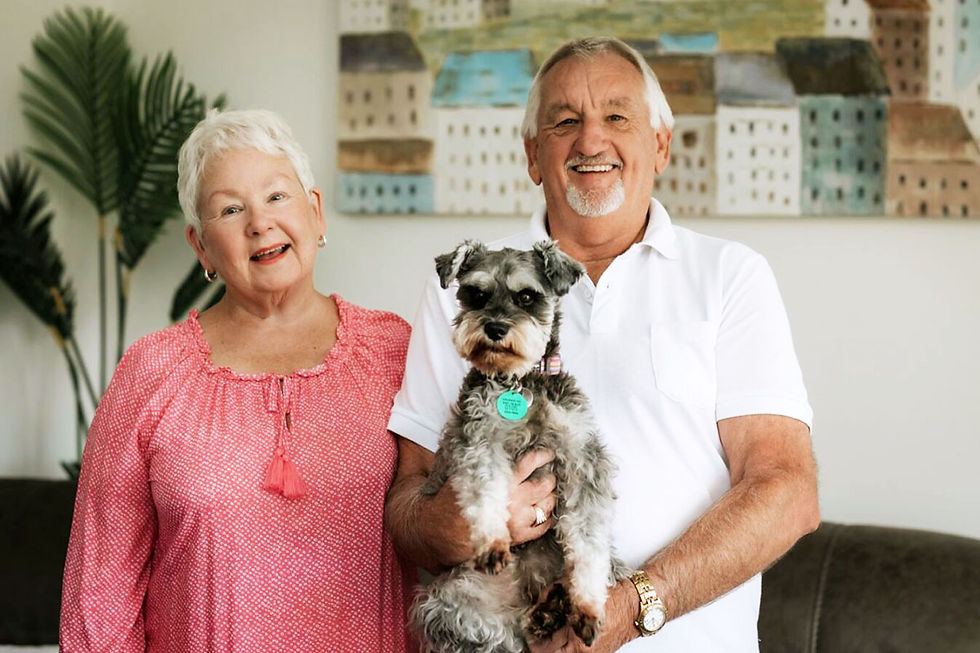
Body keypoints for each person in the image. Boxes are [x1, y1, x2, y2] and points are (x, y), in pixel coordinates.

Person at [384, 37, 820, 652]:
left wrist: (631, 607)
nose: (591, 141)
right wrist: (454, 523)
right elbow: (406, 504)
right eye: (565, 122)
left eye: (617, 117)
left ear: (661, 144)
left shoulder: (730, 277)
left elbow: (787, 490)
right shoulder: (468, 291)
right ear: (534, 156)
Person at [60, 109, 416, 652]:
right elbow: (100, 592)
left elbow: (455, 532)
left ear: (316, 214)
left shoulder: (396, 351)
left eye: (277, 196)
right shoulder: (151, 372)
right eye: (230, 209)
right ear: (201, 247)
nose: (259, 223)